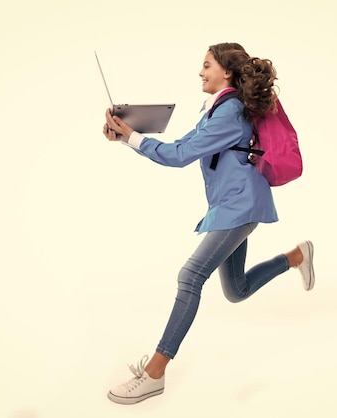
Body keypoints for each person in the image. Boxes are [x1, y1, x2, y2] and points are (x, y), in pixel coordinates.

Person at [102, 42, 315, 405]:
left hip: (241, 206)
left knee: (190, 276)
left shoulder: (230, 112)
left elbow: (180, 156)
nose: (200, 72)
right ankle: (296, 256)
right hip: (230, 206)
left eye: (206, 65)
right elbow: (183, 145)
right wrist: (127, 137)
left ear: (226, 73)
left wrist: (133, 137)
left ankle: (155, 371)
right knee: (237, 290)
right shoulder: (217, 111)